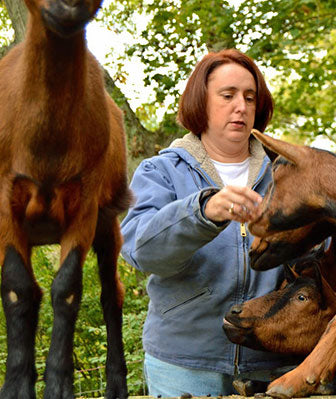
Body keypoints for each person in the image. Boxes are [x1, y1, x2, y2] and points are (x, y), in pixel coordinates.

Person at [120, 49, 295, 397]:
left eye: (250, 97)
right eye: (227, 96)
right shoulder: (160, 171)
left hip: (277, 364)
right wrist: (202, 212)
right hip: (184, 366)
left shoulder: (288, 172)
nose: (241, 107)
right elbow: (140, 249)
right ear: (201, 102)